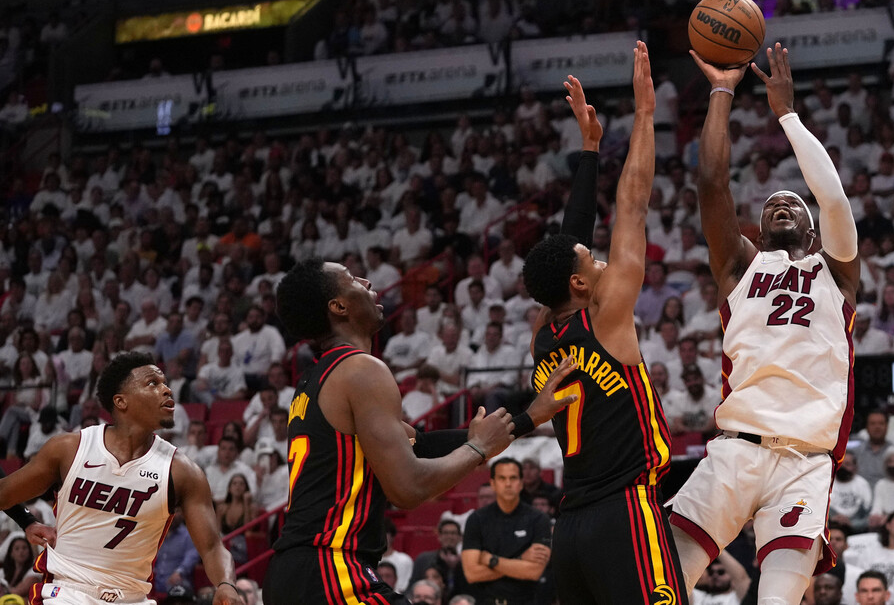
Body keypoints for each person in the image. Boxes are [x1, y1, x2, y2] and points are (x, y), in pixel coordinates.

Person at [262, 259, 575, 604]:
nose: (366, 281)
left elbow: (418, 445)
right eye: (352, 279)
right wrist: (478, 451)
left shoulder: (315, 378)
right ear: (338, 306)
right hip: (330, 569)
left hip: (294, 573)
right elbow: (408, 488)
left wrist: (529, 417)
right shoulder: (361, 369)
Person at [669, 43, 861, 602]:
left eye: (793, 204)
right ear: (755, 228)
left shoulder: (837, 273)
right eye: (771, 203)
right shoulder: (740, 266)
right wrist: (722, 92)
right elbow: (711, 184)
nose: (782, 204)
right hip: (735, 448)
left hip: (805, 459)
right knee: (658, 587)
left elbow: (833, 198)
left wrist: (787, 115)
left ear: (810, 227)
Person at [521, 44, 689, 603]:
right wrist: (645, 116)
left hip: (570, 525)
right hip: (625, 511)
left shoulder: (542, 332)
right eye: (591, 263)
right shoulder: (608, 319)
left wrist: (590, 150)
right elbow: (634, 205)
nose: (599, 260)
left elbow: (566, 246)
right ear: (580, 285)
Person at [0, 351, 240, 604]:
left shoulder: (182, 471)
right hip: (68, 593)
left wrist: (226, 584)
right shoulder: (70, 449)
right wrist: (26, 520)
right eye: (152, 383)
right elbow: (4, 494)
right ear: (121, 401)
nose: (167, 390)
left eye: (165, 383)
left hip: (133, 598)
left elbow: (213, 547)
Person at [460, 458, 551, 604]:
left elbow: (533, 572)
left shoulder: (539, 519)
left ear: (521, 483)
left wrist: (490, 560)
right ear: (493, 484)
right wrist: (520, 560)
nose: (508, 484)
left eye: (513, 478)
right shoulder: (476, 519)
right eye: (502, 478)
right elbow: (472, 573)